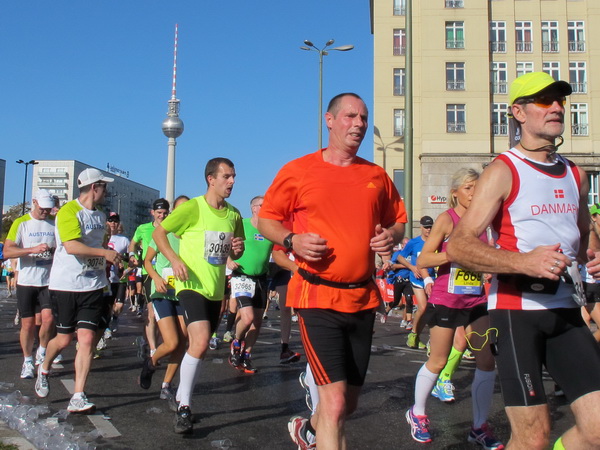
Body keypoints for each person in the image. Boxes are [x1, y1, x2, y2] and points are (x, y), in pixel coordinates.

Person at [447, 72, 600, 449]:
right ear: (518, 112)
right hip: (517, 312)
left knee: (597, 429)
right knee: (533, 437)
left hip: (567, 311)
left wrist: (593, 258)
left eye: (559, 100)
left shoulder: (575, 174)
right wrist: (523, 262)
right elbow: (460, 246)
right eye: (544, 101)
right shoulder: (503, 170)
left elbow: (584, 235)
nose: (556, 108)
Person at [257, 93, 406, 449]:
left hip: (362, 299)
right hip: (316, 296)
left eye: (364, 118)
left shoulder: (376, 175)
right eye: (350, 116)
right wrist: (292, 239)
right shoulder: (299, 171)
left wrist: (391, 236)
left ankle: (308, 429)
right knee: (335, 404)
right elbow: (265, 220)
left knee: (347, 405)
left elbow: (398, 222)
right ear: (329, 120)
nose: (359, 124)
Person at [406, 168, 503, 449]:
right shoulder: (446, 220)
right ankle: (417, 413)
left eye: (477, 188)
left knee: (487, 361)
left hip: (475, 299)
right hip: (446, 300)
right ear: (455, 192)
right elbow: (424, 259)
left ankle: (479, 426)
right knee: (438, 360)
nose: (474, 194)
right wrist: (452, 254)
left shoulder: (484, 219)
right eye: (469, 188)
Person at [153, 157, 244, 434]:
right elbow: (159, 234)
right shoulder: (193, 207)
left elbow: (235, 251)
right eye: (227, 176)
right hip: (190, 285)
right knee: (202, 341)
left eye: (234, 176)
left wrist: (238, 250)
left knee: (198, 348)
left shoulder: (234, 214)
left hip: (216, 290)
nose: (232, 181)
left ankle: (179, 394)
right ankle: (184, 407)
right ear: (211, 179)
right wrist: (174, 259)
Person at [35, 168, 120, 414]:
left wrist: (112, 259)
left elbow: (100, 246)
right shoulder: (69, 212)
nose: (107, 192)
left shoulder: (101, 216)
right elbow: (71, 246)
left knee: (87, 339)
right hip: (66, 285)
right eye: (104, 187)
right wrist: (104, 254)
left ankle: (78, 395)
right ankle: (44, 368)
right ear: (95, 187)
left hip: (93, 286)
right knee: (63, 339)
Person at [139, 195, 189, 402]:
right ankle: (151, 363)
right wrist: (156, 278)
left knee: (182, 342)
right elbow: (147, 261)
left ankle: (166, 385)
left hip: (183, 293)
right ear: (173, 212)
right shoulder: (162, 233)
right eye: (179, 209)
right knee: (171, 342)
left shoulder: (191, 236)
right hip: (162, 292)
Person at [4, 189, 57, 378]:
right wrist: (32, 250)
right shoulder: (21, 223)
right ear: (34, 202)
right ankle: (27, 361)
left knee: (49, 318)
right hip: (27, 281)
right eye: (43, 208)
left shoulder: (55, 223)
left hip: (49, 281)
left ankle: (42, 350)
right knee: (27, 324)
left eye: (49, 209)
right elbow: (7, 251)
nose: (45, 212)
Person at [227, 195, 273, 374]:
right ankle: (237, 341)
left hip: (261, 278)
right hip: (242, 276)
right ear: (254, 208)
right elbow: (227, 245)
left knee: (257, 322)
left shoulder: (270, 228)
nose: (266, 207)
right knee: (247, 318)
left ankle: (246, 355)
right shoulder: (242, 224)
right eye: (262, 205)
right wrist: (229, 261)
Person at [129, 198, 170, 356]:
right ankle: (153, 350)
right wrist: (132, 255)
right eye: (159, 212)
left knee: (163, 315)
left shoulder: (172, 229)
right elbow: (132, 244)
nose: (162, 216)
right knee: (152, 313)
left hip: (167, 274)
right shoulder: (143, 228)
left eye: (165, 213)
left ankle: (149, 341)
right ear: (152, 212)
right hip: (149, 273)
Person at [399, 216, 435, 349]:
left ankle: (422, 336)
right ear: (421, 227)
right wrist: (412, 267)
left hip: (431, 279)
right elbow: (400, 257)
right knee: (423, 307)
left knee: (433, 309)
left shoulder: (435, 241)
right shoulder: (414, 242)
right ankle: (413, 334)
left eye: (430, 227)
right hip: (417, 279)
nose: (428, 230)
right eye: (426, 227)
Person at [105, 212, 130, 335]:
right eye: (110, 220)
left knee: (119, 306)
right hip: (105, 278)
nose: (113, 223)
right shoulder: (102, 237)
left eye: (115, 221)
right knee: (107, 306)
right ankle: (106, 328)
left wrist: (125, 268)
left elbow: (131, 258)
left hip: (119, 279)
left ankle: (115, 318)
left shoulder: (124, 240)